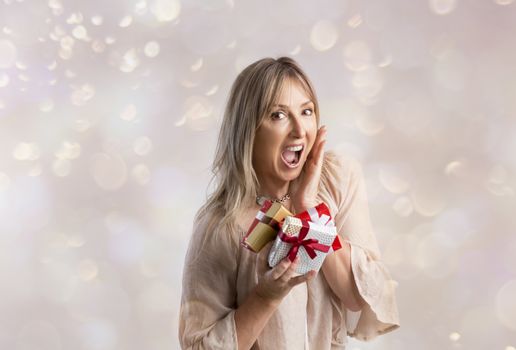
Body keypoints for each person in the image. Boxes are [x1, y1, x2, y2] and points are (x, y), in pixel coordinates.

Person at [178, 56, 400, 349]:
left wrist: (310, 210)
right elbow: (199, 345)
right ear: (248, 129)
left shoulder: (336, 181)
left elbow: (358, 297)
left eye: (306, 111)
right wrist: (265, 297)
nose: (299, 130)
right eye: (278, 115)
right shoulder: (221, 225)